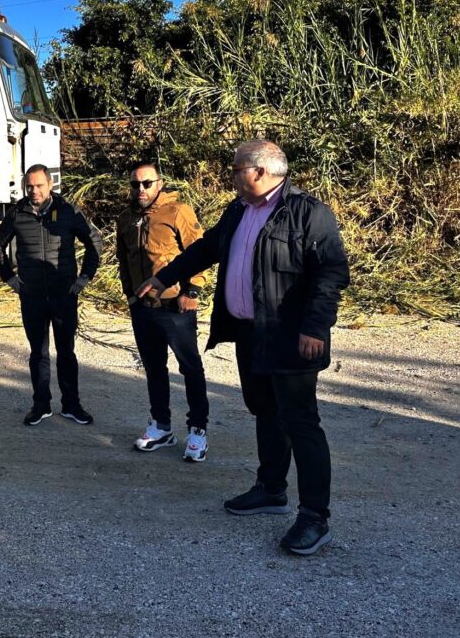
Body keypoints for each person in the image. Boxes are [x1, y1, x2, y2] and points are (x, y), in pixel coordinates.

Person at [136, 140, 350, 555]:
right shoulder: (238, 211)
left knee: (301, 423)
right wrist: (166, 278)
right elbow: (206, 248)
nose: (231, 175)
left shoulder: (308, 212)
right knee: (265, 412)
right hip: (250, 334)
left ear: (259, 172)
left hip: (291, 337)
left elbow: (331, 273)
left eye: (235, 169)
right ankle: (271, 490)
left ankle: (314, 518)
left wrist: (315, 326)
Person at [0, 164, 103, 427]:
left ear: (50, 185)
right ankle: (40, 405)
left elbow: (93, 240)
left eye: (39, 185)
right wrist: (9, 277)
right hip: (32, 297)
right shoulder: (17, 213)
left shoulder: (66, 211)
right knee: (38, 354)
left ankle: (71, 405)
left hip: (63, 294)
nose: (34, 190)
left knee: (66, 353)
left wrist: (85, 277)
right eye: (29, 186)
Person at [115, 160, 210, 461]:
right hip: (143, 309)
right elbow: (123, 258)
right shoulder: (126, 218)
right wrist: (130, 296)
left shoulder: (177, 211)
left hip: (175, 306)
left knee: (190, 367)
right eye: (135, 184)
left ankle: (198, 430)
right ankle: (161, 426)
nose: (140, 189)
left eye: (146, 183)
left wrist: (192, 291)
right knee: (154, 368)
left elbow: (200, 252)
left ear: (159, 183)